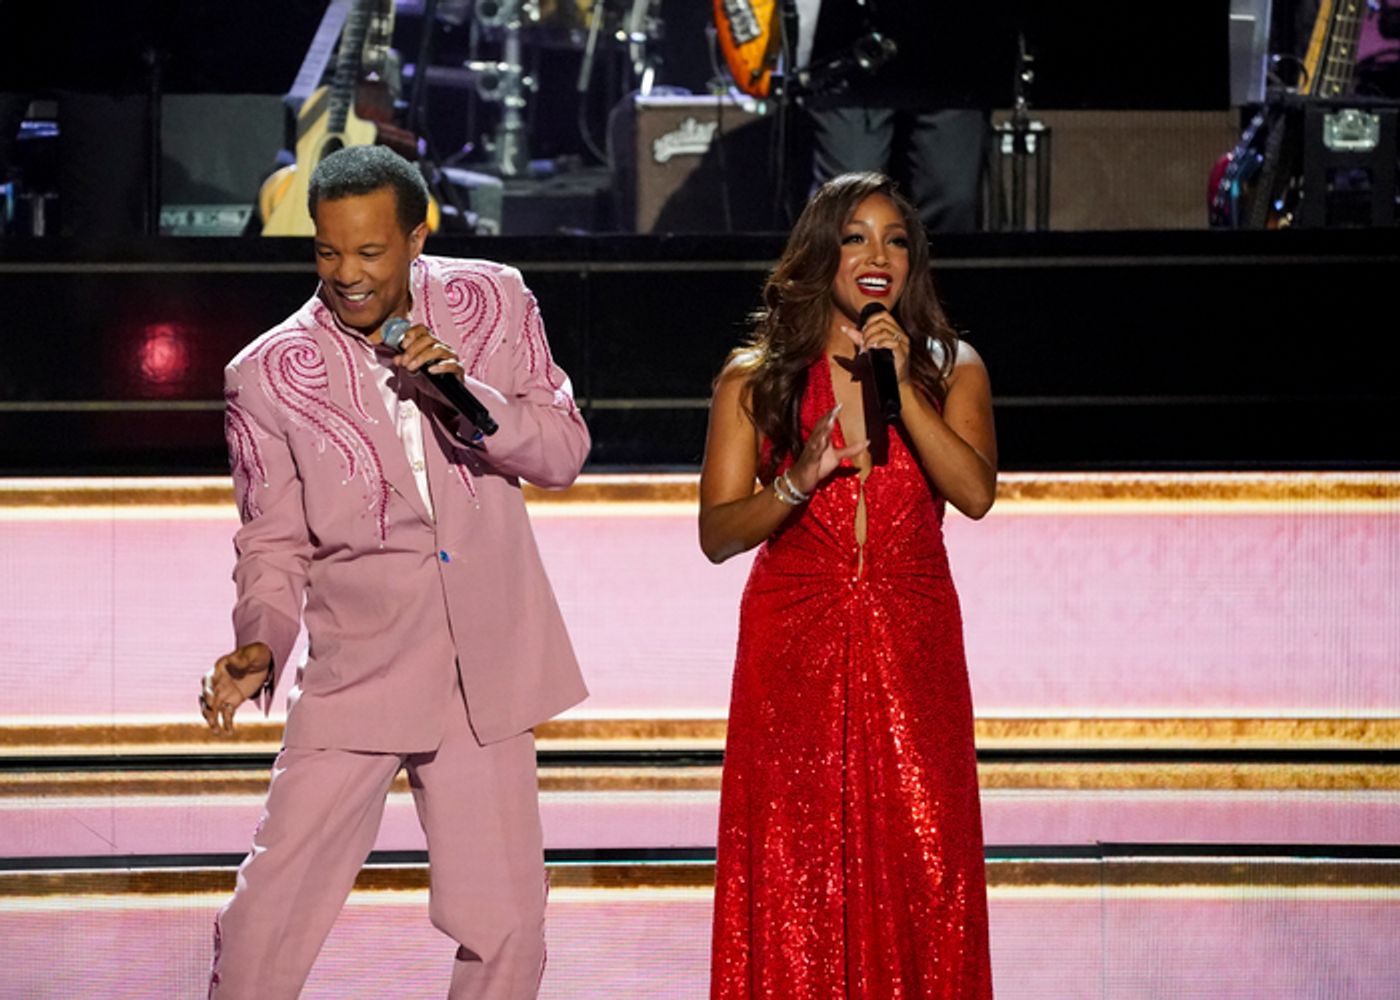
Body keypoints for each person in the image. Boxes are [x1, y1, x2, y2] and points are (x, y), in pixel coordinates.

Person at [200, 144, 590, 999]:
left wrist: (472, 398)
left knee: (508, 930)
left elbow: (563, 450)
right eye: (327, 250)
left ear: (417, 237)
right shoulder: (267, 374)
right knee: (264, 926)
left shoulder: (494, 300)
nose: (346, 274)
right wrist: (258, 645)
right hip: (357, 671)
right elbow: (270, 542)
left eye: (370, 252)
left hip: (481, 673)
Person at [699, 171, 997, 997]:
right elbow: (718, 535)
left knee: (926, 854)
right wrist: (798, 477)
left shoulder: (950, 367)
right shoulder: (756, 377)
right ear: (820, 251)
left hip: (913, 633)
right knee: (799, 863)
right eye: (857, 236)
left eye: (895, 239)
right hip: (795, 636)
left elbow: (973, 494)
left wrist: (901, 389)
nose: (877, 255)